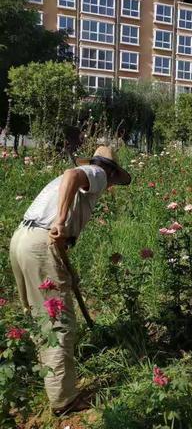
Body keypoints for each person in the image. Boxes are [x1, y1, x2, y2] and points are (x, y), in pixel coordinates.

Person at [9, 146, 131, 415]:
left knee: (38, 315)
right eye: (114, 181)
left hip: (22, 240)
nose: (111, 187)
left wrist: (68, 270)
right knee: (58, 321)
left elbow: (53, 235)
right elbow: (72, 175)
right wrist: (63, 219)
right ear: (111, 173)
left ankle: (47, 378)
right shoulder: (97, 173)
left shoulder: (58, 188)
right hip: (39, 245)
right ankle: (64, 401)